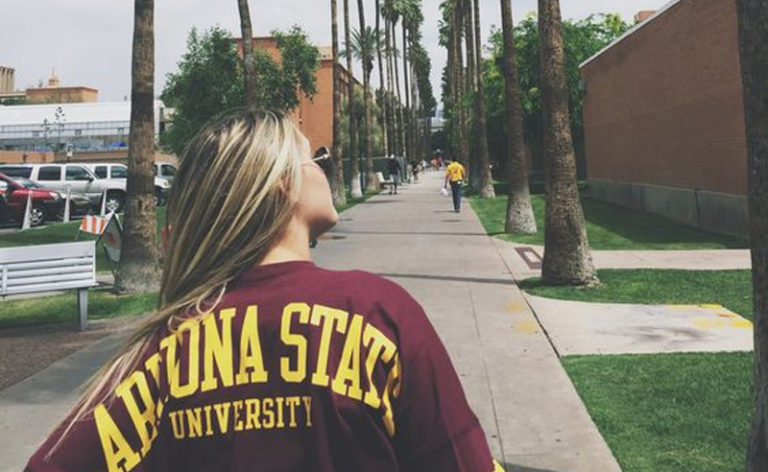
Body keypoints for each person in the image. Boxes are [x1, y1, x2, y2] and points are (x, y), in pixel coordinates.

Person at [26, 108, 502, 472]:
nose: (325, 167)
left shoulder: (162, 353)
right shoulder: (377, 314)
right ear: (281, 186)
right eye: (314, 158)